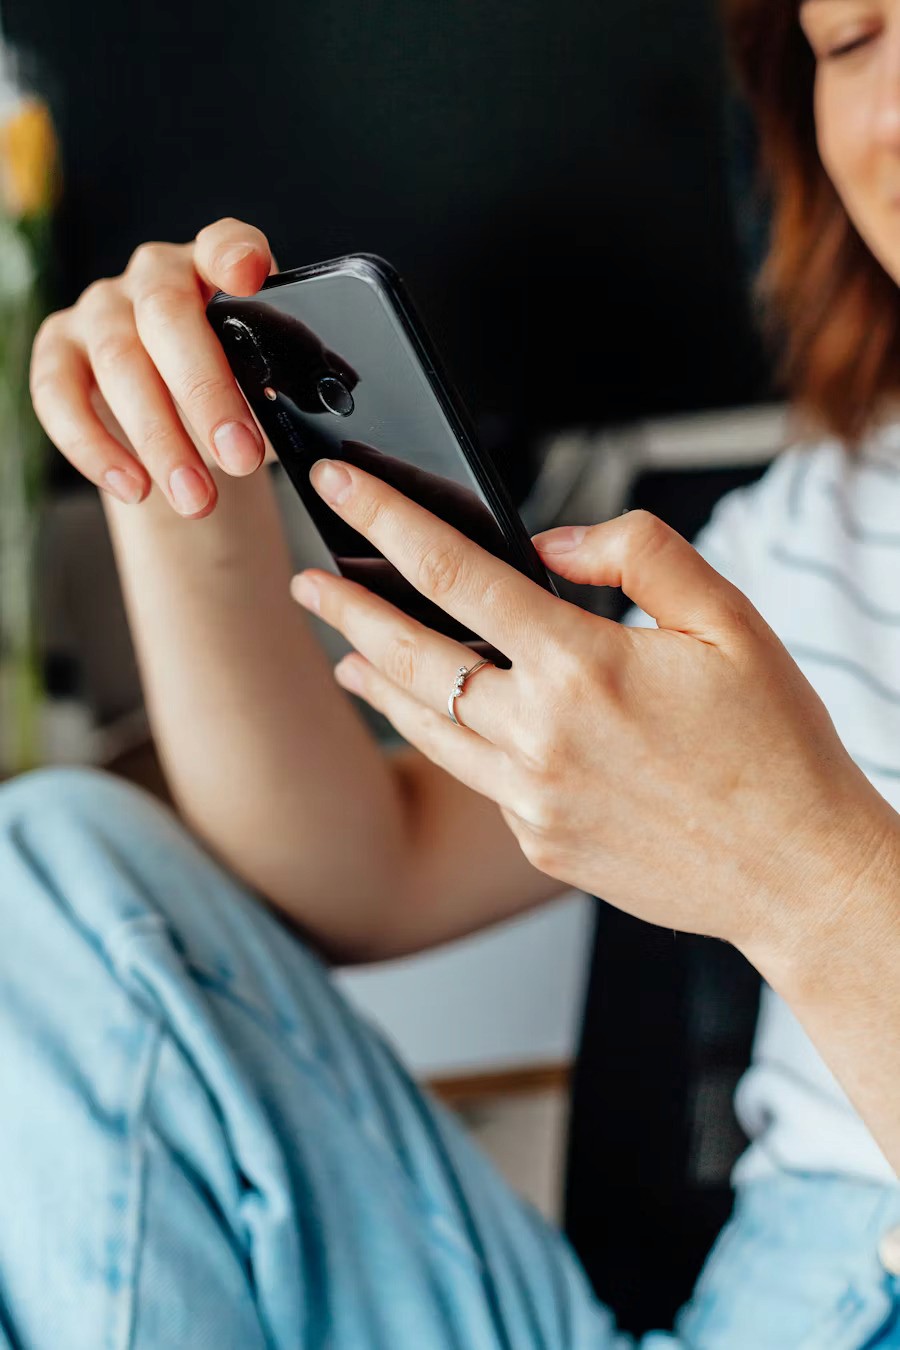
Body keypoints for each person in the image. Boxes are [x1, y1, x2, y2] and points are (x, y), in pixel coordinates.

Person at [6, 0, 900, 1343]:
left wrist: (814, 885)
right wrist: (173, 465)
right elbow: (365, 870)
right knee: (48, 865)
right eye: (851, 42)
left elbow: (806, 884)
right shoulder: (810, 533)